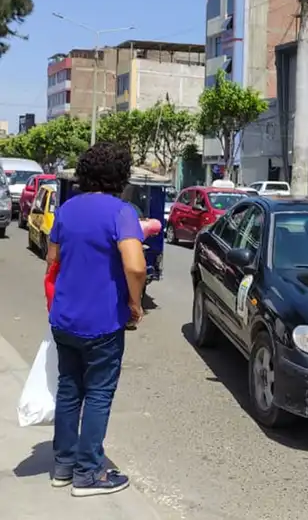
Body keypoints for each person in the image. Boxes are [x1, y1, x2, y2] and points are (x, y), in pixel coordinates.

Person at [46, 142, 147, 497]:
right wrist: (135, 303)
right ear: (121, 175)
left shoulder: (67, 209)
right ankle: (88, 473)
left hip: (64, 317)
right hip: (102, 321)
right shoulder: (122, 212)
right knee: (99, 393)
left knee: (69, 389)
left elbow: (52, 258)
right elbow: (135, 265)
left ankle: (62, 466)